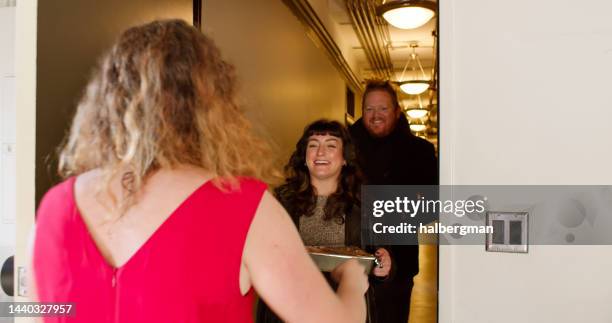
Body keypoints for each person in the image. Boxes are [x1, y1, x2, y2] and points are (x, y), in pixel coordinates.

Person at [30, 19, 368, 323]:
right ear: (214, 104)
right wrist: (353, 281)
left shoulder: (55, 207)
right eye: (314, 145)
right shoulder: (245, 207)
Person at [257, 119, 391, 323]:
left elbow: (378, 260)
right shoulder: (280, 202)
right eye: (313, 145)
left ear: (345, 158)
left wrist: (383, 267)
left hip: (344, 311)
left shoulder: (365, 206)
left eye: (330, 145)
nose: (320, 153)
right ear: (304, 157)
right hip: (289, 311)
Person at [349, 80, 438, 323]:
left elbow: (432, 206)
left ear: (397, 112)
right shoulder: (346, 150)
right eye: (369, 109)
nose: (375, 115)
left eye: (383, 109)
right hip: (350, 262)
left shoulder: (420, 152)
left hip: (400, 261)